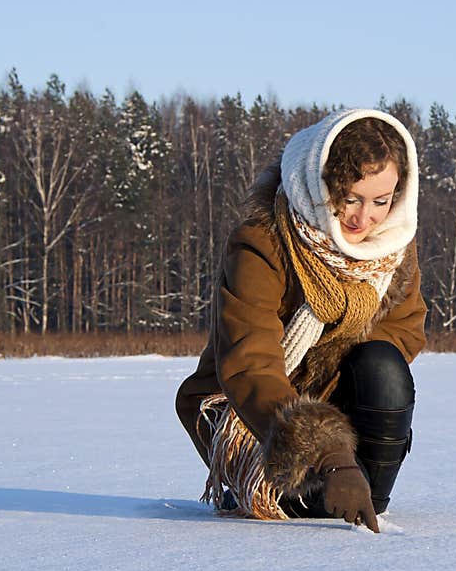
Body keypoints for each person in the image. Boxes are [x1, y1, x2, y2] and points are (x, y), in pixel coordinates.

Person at [175, 108, 426, 533]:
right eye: (350, 198)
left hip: (339, 416)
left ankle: (359, 492)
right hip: (254, 417)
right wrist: (326, 450)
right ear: (319, 185)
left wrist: (342, 405)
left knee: (382, 363)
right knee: (292, 495)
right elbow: (250, 364)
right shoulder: (264, 241)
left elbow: (404, 331)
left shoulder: (391, 249)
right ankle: (283, 487)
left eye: (380, 201)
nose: (364, 219)